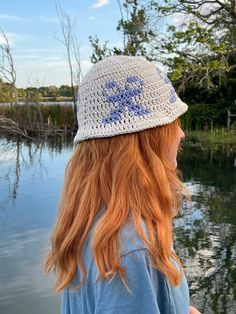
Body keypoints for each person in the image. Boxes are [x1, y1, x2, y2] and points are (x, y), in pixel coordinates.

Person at [45, 56, 201, 314]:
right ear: (147, 137)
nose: (181, 133)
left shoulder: (94, 221)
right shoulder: (131, 249)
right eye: (173, 121)